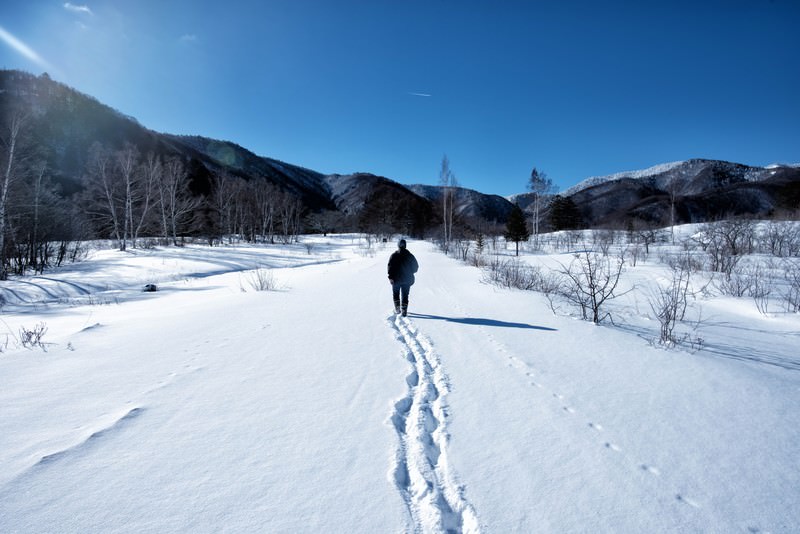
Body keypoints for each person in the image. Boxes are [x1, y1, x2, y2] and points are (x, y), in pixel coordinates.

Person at [387, 239, 419, 317]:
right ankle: (404, 311)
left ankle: (397, 309)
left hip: (395, 280)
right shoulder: (410, 255)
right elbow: (416, 267)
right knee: (405, 295)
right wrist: (410, 272)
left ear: (398, 245)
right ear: (405, 245)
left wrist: (390, 277)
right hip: (407, 280)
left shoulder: (394, 255)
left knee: (396, 294)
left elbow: (390, 267)